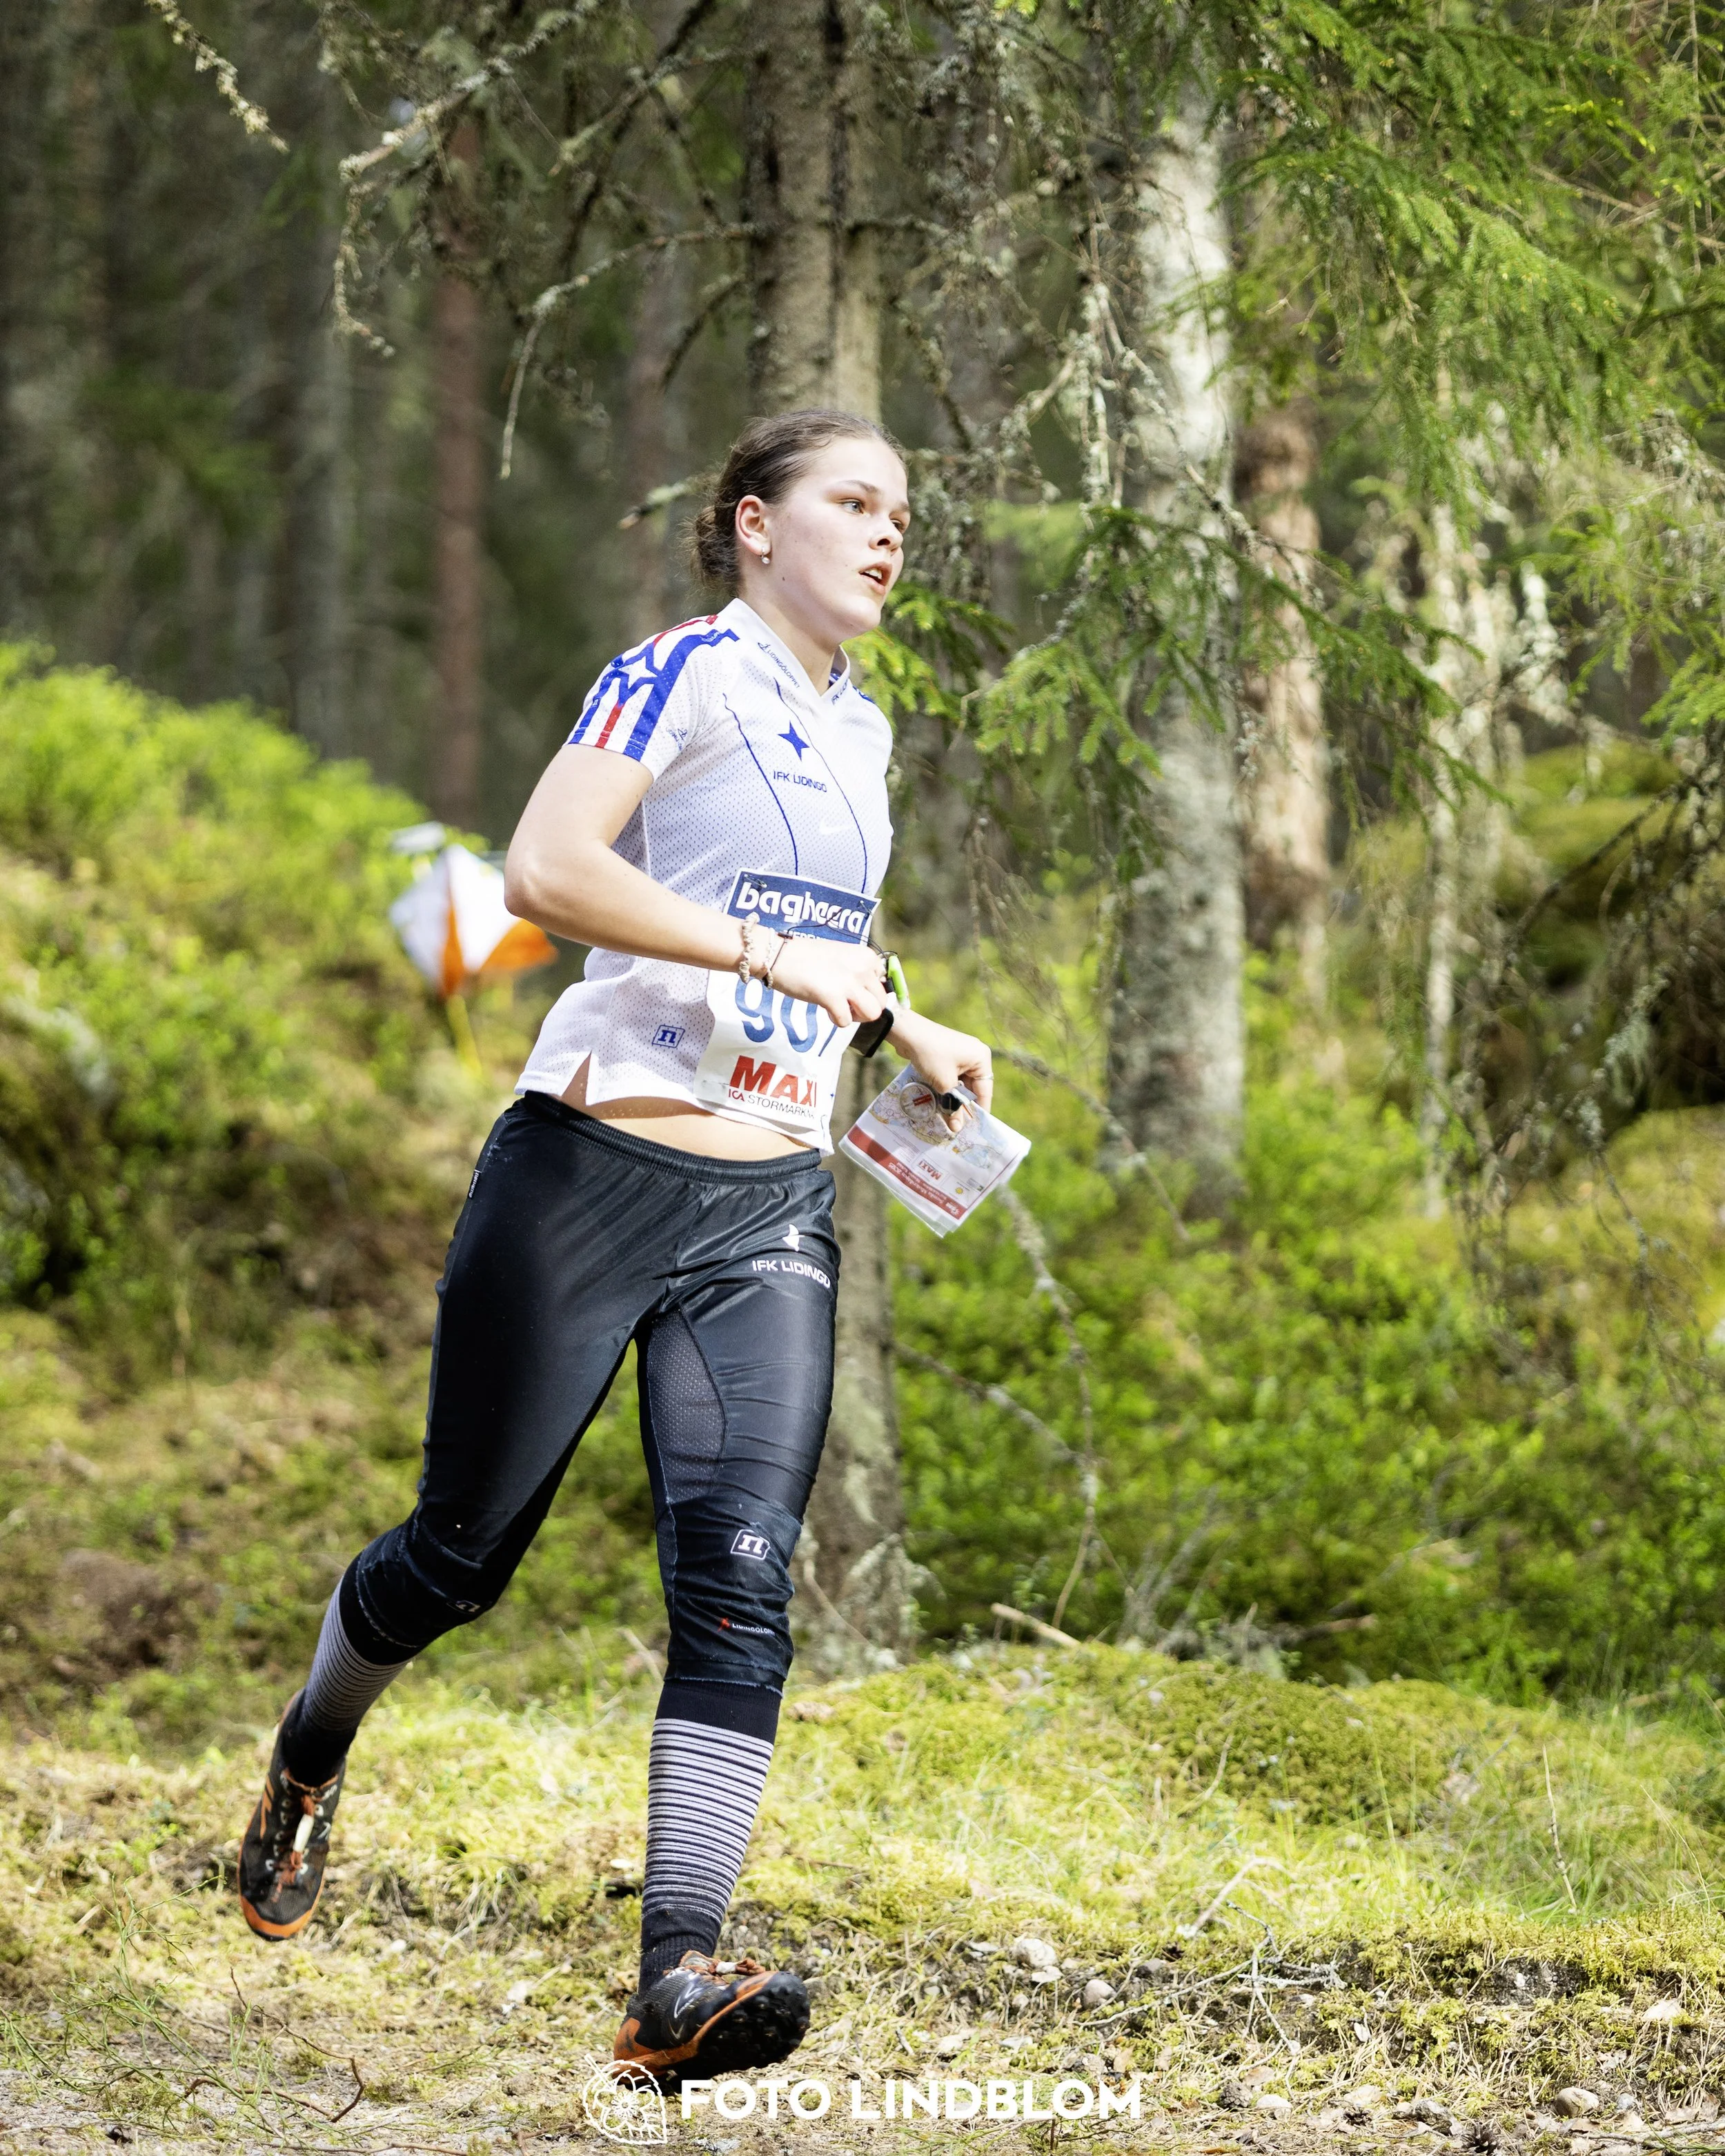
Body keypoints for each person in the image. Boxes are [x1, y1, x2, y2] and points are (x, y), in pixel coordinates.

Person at [234, 408, 992, 2088]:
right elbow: (548, 868)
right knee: (456, 1558)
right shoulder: (674, 675)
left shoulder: (857, 732)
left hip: (770, 1198)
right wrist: (760, 955)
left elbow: (813, 938)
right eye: (850, 503)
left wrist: (904, 1018)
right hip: (590, 1164)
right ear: (750, 526)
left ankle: (676, 1980)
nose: (886, 535)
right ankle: (305, 1752)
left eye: (900, 513)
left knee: (736, 1585)